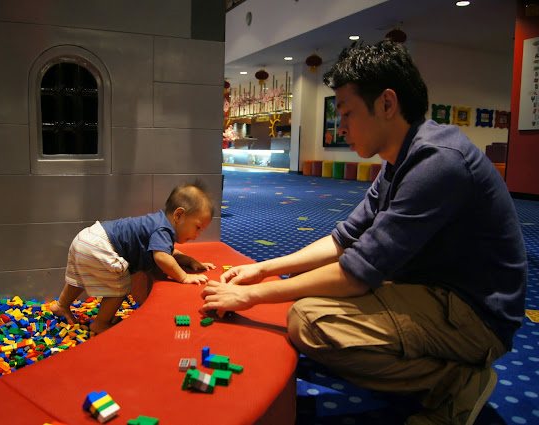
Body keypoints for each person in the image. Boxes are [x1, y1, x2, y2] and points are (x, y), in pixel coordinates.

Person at [201, 41, 527, 425]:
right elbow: (344, 239)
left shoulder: (437, 162)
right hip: (432, 288)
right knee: (306, 289)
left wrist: (251, 295)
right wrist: (264, 269)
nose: (341, 127)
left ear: (387, 104)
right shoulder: (401, 158)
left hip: (476, 316)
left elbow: (357, 273)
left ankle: (456, 384)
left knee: (308, 322)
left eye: (347, 113)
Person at [52, 181, 215, 334]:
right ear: (179, 215)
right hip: (101, 246)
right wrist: (184, 277)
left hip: (86, 238)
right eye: (197, 227)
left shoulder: (158, 223)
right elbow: (162, 257)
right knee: (120, 286)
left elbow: (168, 253)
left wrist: (190, 261)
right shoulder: (163, 229)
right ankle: (100, 323)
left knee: (79, 278)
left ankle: (62, 305)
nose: (197, 235)